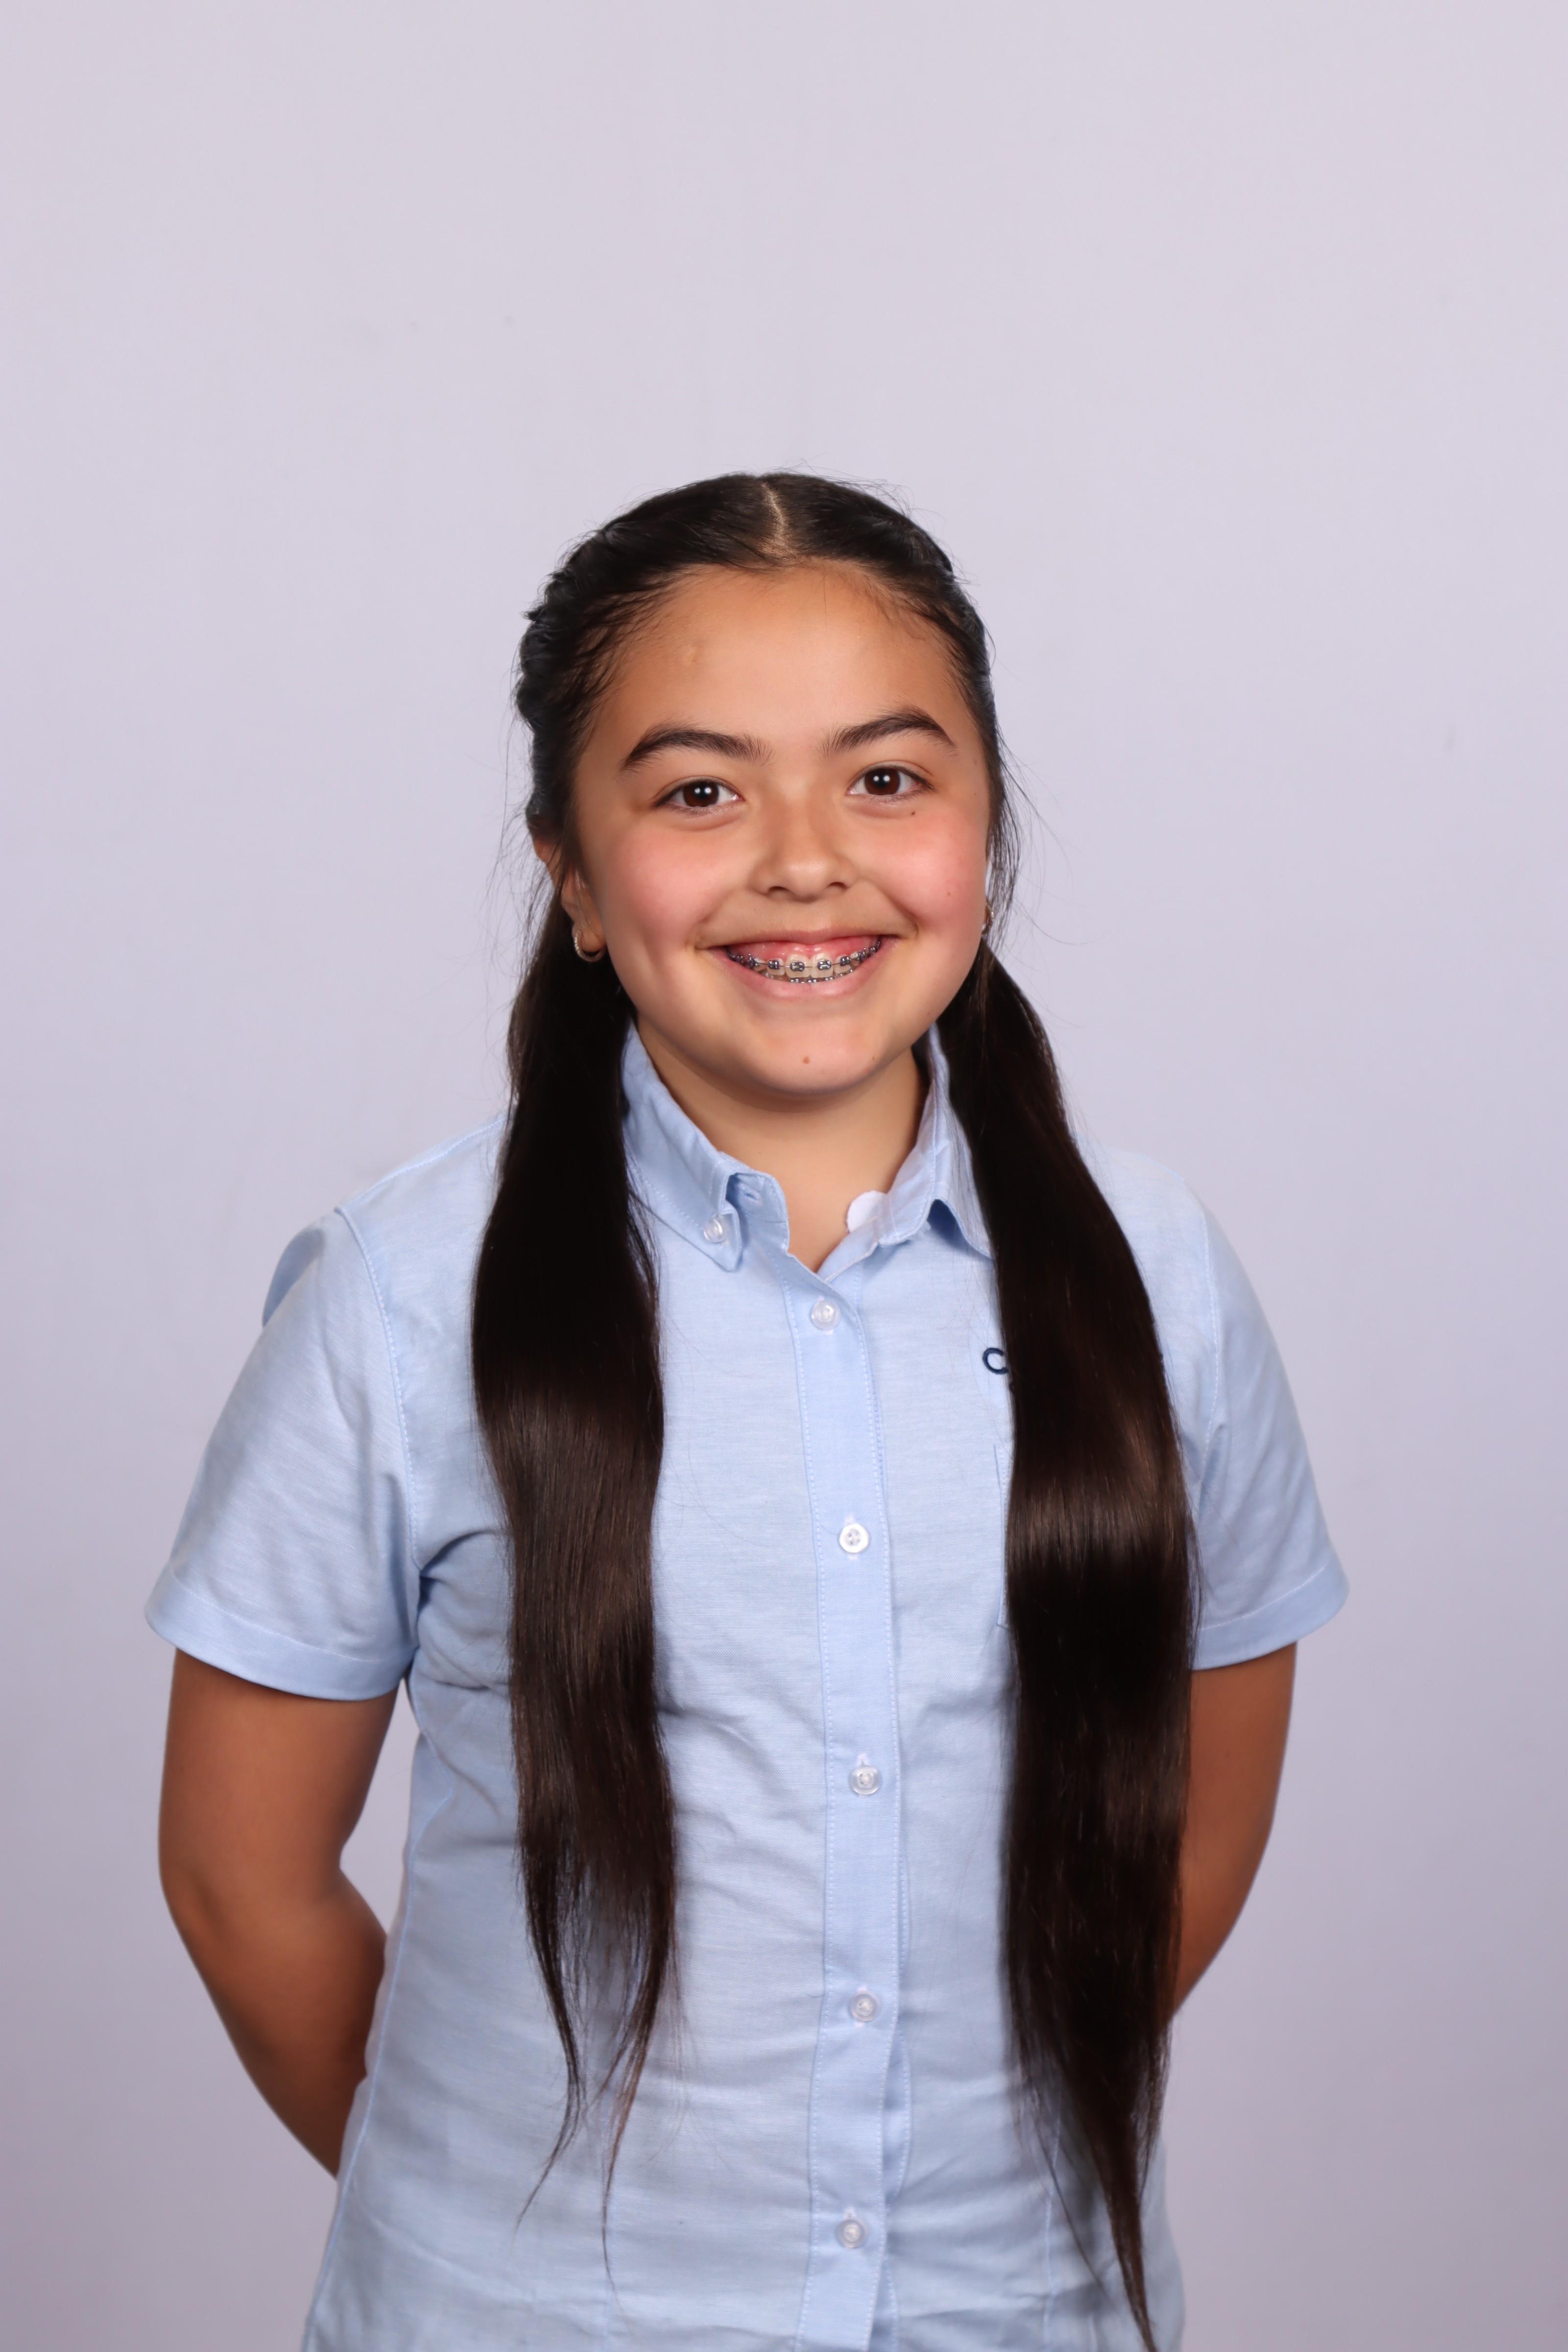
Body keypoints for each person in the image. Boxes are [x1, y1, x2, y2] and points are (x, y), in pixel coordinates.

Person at [151, 473, 1347, 2352]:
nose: (805, 860)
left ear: (986, 827)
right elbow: (243, 1883)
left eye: (888, 778)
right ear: (570, 870)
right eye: (701, 791)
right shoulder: (401, 1298)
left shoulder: (1159, 1273)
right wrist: (496, 2225)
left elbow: (1191, 1827)